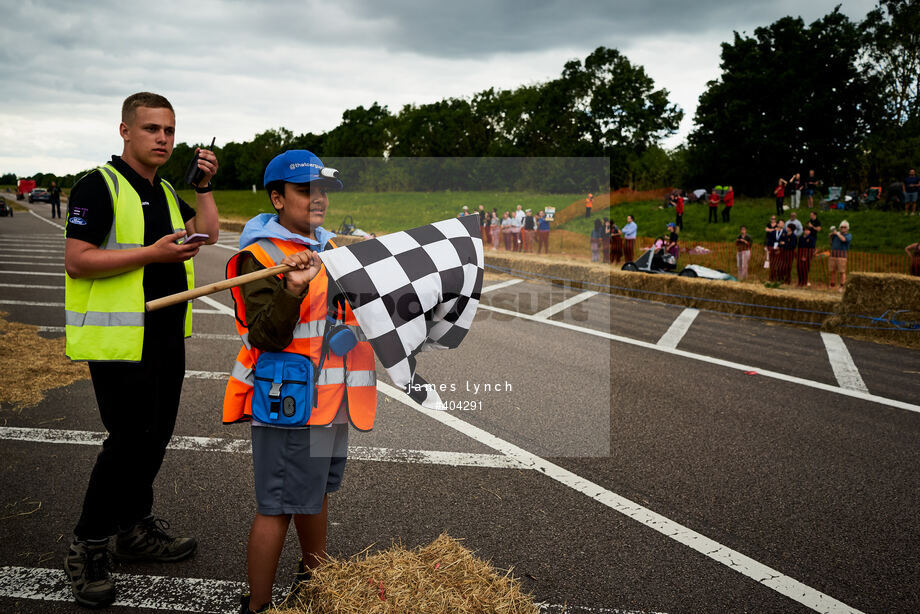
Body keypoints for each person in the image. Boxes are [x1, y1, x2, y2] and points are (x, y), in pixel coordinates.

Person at [62, 92, 219, 608]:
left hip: (166, 334)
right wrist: (152, 254)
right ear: (125, 131)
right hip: (121, 338)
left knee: (155, 439)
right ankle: (87, 545)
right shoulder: (99, 186)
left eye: (169, 131)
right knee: (129, 440)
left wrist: (205, 188)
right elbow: (78, 261)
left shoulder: (169, 190)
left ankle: (132, 529)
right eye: (152, 129)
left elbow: (209, 234)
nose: (163, 139)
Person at [223, 150, 376, 614]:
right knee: (278, 507)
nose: (318, 199)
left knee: (313, 495)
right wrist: (292, 287)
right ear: (277, 197)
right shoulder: (261, 256)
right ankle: (259, 608)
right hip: (288, 401)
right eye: (304, 190)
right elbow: (266, 335)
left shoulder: (330, 250)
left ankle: (315, 580)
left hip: (330, 401)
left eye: (322, 190)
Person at [829, 221, 852, 290]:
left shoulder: (848, 235)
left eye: (845, 227)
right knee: (832, 271)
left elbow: (843, 240)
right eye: (841, 227)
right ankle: (832, 285)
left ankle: (842, 286)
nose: (843, 228)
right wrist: (831, 236)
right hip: (833, 255)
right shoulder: (836, 235)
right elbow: (831, 243)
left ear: (847, 228)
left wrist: (837, 233)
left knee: (842, 272)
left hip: (842, 256)